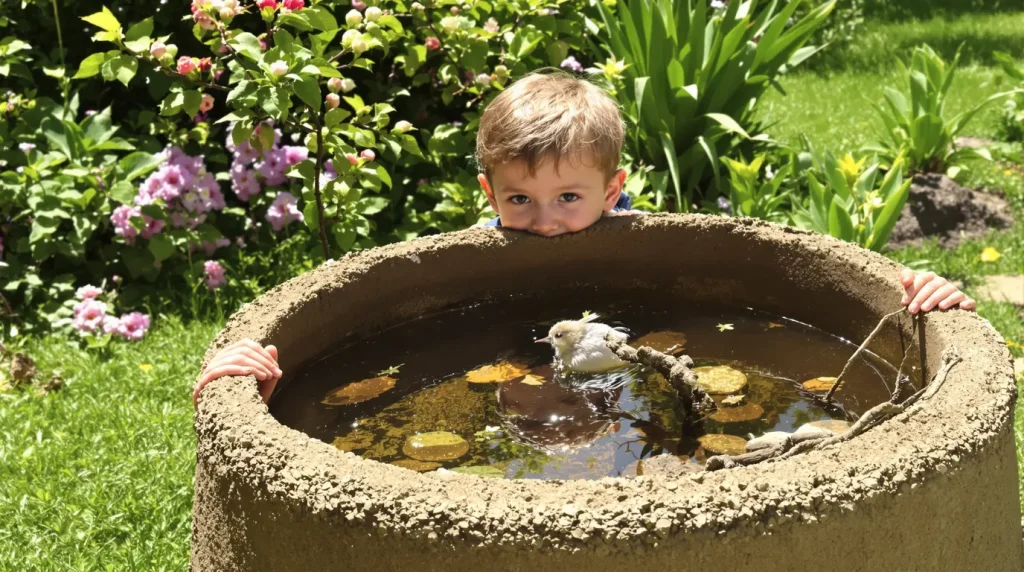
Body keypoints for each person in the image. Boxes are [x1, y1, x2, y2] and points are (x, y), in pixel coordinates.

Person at [193, 72, 977, 408]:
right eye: (520, 200)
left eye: (570, 197)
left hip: (624, 375)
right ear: (488, 195)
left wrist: (915, 291)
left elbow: (795, 262)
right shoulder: (473, 260)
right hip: (518, 380)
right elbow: (384, 337)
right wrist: (265, 371)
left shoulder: (647, 246)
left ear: (613, 189)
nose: (546, 220)